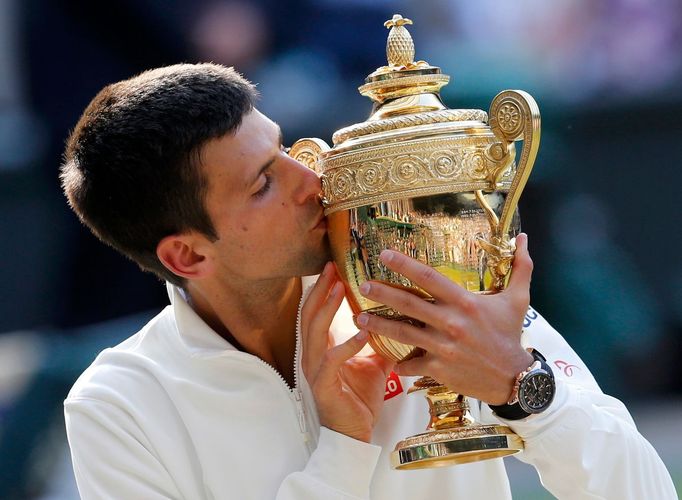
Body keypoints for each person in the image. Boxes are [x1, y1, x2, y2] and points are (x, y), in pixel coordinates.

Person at [60, 63, 676, 499]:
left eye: (282, 151)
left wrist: (524, 388)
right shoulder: (116, 406)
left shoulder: (434, 288)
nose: (312, 178)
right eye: (263, 184)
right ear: (187, 257)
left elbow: (644, 491)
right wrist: (341, 451)